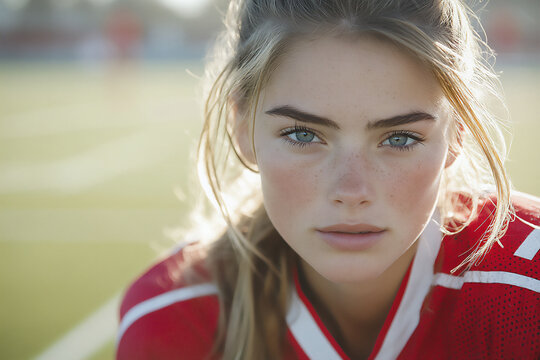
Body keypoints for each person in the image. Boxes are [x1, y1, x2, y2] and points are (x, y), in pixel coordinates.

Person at [116, 1, 540, 359]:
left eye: (400, 138)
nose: (350, 192)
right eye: (303, 134)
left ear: (457, 134)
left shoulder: (526, 297)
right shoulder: (172, 320)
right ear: (242, 129)